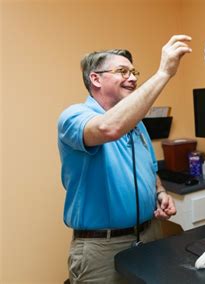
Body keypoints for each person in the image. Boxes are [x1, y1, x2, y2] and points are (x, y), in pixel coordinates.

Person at [57, 35, 192, 283]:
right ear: (95, 78)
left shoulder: (137, 123)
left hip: (149, 236)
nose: (132, 78)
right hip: (103, 247)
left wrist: (160, 193)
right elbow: (108, 129)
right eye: (122, 71)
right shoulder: (74, 116)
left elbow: (150, 168)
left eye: (133, 71)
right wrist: (163, 73)